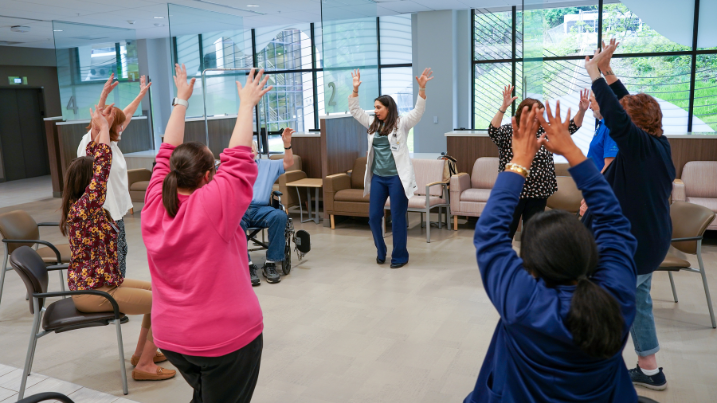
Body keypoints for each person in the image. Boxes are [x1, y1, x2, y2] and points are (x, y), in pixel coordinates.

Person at [465, 101, 639, 402]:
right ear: (590, 255)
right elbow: (613, 222)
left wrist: (519, 161)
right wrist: (571, 151)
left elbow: (489, 235)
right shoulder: (617, 297)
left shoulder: (522, 302)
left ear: (529, 266)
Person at [141, 64, 271, 403]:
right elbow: (239, 158)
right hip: (223, 341)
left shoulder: (154, 202)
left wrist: (181, 100)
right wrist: (247, 105)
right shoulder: (212, 206)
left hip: (172, 339)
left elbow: (166, 152)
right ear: (207, 176)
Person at [583, 39, 676, 391]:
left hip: (633, 247)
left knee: (603, 308)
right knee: (639, 301)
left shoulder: (637, 147)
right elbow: (626, 106)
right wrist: (609, 71)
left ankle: (597, 373)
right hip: (650, 243)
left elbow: (618, 115)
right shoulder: (658, 143)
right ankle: (649, 369)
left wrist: (594, 72)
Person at [61, 104, 174, 382]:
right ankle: (144, 365)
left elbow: (94, 161)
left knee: (160, 289)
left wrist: (101, 126)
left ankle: (141, 353)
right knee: (164, 302)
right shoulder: (84, 208)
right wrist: (101, 128)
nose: (101, 181)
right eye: (96, 180)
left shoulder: (84, 206)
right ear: (87, 184)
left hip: (106, 281)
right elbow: (100, 168)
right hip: (94, 291)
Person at [348, 67, 433, 269]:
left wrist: (422, 89)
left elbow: (418, 112)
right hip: (378, 177)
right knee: (373, 217)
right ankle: (381, 250)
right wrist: (355, 90)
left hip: (396, 178)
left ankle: (400, 256)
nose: (375, 111)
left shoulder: (401, 124)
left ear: (388, 108)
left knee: (397, 217)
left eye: (379, 107)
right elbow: (355, 111)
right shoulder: (372, 123)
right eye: (375, 107)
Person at [488, 85, 589, 240]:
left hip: (538, 191)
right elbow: (493, 131)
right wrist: (503, 107)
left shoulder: (546, 131)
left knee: (533, 235)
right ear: (523, 113)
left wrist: (581, 110)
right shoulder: (510, 131)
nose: (537, 117)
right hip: (513, 191)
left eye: (540, 113)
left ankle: (530, 256)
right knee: (505, 232)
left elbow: (571, 126)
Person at [76, 73, 152, 278]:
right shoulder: (91, 144)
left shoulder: (112, 144)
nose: (122, 127)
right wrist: (103, 96)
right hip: (103, 214)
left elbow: (126, 114)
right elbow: (97, 123)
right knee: (113, 261)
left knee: (121, 253)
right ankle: (113, 293)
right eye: (117, 124)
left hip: (116, 213)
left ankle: (117, 289)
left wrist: (141, 95)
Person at [243, 128, 295, 286]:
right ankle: (247, 265)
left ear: (256, 152)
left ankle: (271, 263)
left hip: (261, 209)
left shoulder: (267, 165)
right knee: (232, 221)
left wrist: (287, 144)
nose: (249, 152)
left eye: (251, 148)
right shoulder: (231, 169)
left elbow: (288, 162)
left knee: (279, 216)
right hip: (239, 210)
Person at [579, 89, 620, 216]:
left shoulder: (611, 126)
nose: (590, 106)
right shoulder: (602, 124)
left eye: (591, 102)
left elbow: (609, 166)